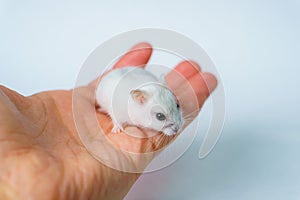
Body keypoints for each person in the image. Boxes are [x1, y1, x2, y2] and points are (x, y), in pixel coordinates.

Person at [0, 42, 217, 199]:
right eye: (161, 117)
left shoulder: (156, 92)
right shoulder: (125, 104)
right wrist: (118, 122)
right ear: (138, 101)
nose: (176, 124)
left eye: (176, 107)